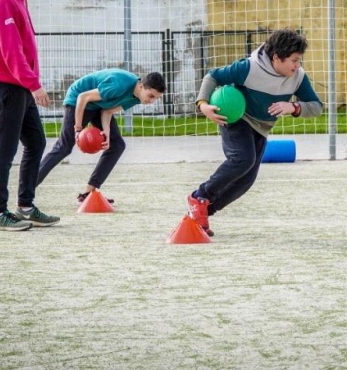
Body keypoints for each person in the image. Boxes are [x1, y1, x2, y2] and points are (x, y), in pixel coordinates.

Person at [187, 28, 322, 236]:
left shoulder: (298, 77)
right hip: (237, 118)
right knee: (243, 159)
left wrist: (294, 108)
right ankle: (199, 197)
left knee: (246, 181)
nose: (297, 65)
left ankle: (202, 212)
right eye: (294, 60)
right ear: (277, 57)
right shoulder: (249, 68)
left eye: (299, 60)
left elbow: (317, 106)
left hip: (262, 127)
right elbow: (212, 76)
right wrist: (203, 104)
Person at [0, 0, 60, 231]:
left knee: (36, 142)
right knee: (5, 149)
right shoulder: (3, 1)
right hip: (7, 86)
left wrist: (29, 85)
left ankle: (25, 206)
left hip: (19, 87)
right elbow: (10, 51)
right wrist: (34, 85)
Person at [37, 69, 166, 203]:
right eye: (151, 96)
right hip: (79, 101)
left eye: (156, 98)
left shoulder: (138, 97)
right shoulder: (119, 85)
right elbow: (83, 97)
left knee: (117, 146)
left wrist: (107, 133)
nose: (152, 101)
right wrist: (78, 128)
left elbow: (108, 111)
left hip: (99, 106)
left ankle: (88, 193)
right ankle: (30, 186)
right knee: (64, 146)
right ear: (141, 86)